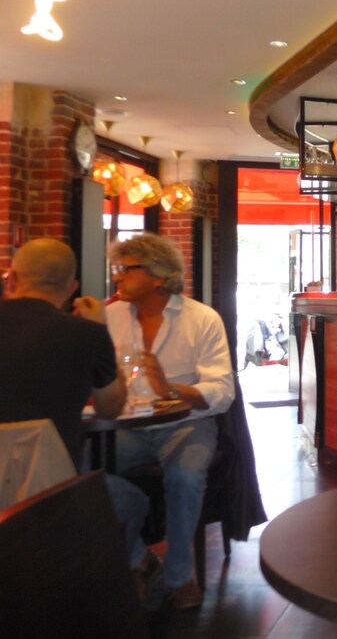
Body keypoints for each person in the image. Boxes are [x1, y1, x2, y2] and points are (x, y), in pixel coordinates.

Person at [0, 239, 154, 593]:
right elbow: (110, 408)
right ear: (71, 288)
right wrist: (100, 327)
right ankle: (97, 596)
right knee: (132, 500)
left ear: (12, 279)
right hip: (50, 490)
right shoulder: (86, 333)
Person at [105, 233, 235, 609]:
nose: (117, 278)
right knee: (76, 468)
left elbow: (222, 391)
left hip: (188, 423)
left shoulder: (202, 319)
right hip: (128, 426)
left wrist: (172, 389)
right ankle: (139, 557)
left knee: (184, 475)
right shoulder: (109, 316)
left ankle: (179, 577)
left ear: (158, 276)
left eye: (126, 270)